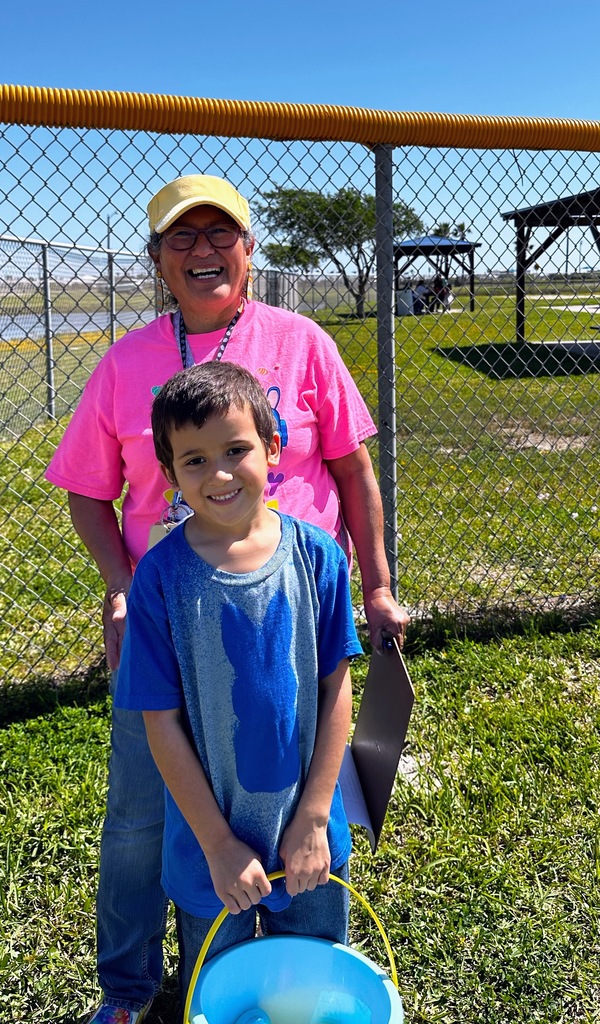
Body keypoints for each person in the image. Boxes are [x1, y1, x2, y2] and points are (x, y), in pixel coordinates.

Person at [44, 173, 409, 1023]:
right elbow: (87, 493)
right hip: (175, 626)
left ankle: (295, 963)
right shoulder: (126, 361)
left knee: (294, 789)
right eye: (182, 238)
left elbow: (354, 472)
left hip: (292, 616)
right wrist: (124, 588)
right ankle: (131, 988)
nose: (203, 250)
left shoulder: (304, 341)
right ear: (159, 261)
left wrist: (378, 584)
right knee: (143, 815)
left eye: (221, 235)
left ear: (249, 252)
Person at [114, 361, 363, 999]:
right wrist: (219, 844)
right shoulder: (160, 582)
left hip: (306, 838)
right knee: (221, 988)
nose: (219, 473)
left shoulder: (320, 559)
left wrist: (312, 818)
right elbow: (160, 722)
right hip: (208, 850)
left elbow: (337, 689)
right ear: (168, 475)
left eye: (236, 450)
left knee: (308, 986)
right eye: (194, 461)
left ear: (274, 446)